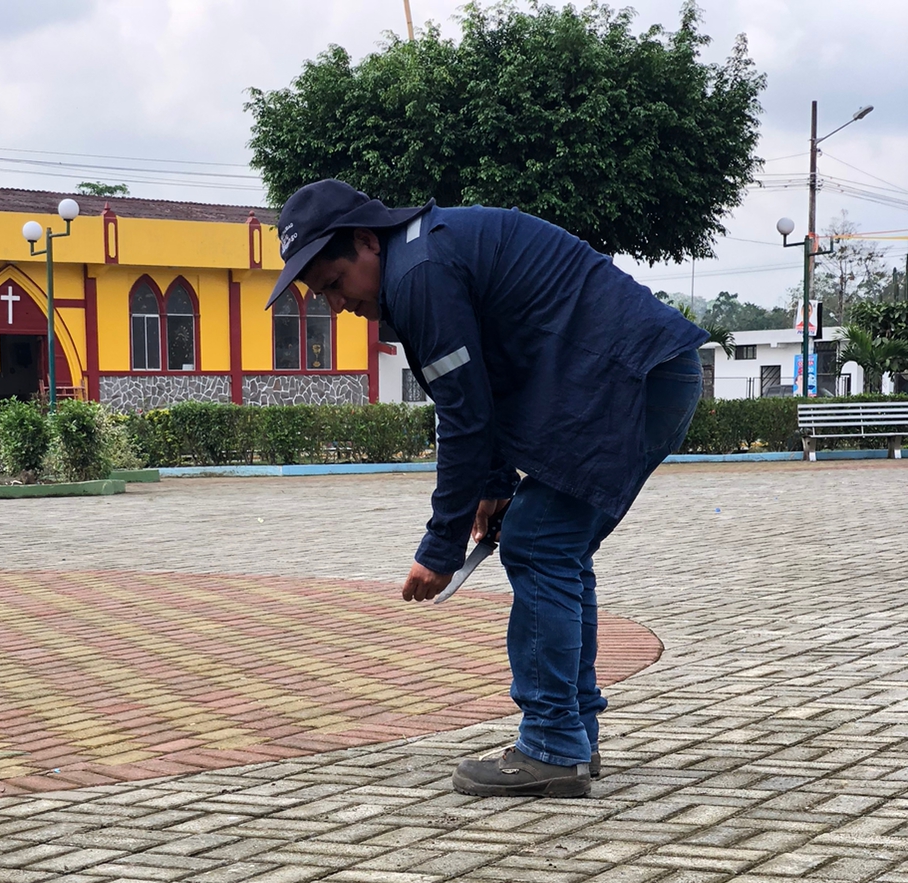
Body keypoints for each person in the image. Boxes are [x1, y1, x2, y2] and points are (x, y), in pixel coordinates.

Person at [267, 180, 705, 798]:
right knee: (554, 546)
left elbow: (464, 415)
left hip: (631, 378)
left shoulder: (419, 273)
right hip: (647, 375)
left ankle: (553, 746)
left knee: (538, 543)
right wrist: (494, 485)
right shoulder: (424, 253)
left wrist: (440, 547)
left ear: (367, 240)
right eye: (323, 294)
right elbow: (487, 386)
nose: (337, 304)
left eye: (335, 282)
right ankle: (572, 734)